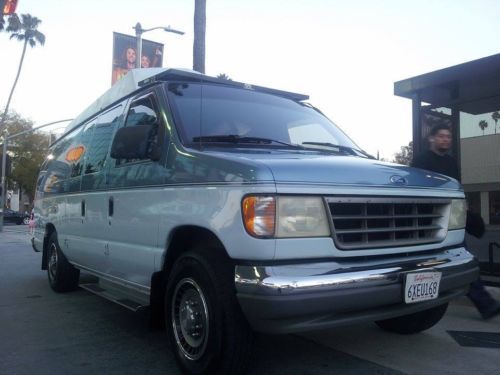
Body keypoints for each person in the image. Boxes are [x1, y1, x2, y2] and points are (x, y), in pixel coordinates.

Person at [412, 123, 500, 320]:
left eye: (448, 137)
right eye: (442, 136)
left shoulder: (451, 162)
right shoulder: (421, 160)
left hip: (450, 219)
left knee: (460, 256)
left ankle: (485, 304)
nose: (445, 139)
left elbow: (457, 188)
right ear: (432, 139)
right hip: (426, 221)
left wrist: (466, 208)